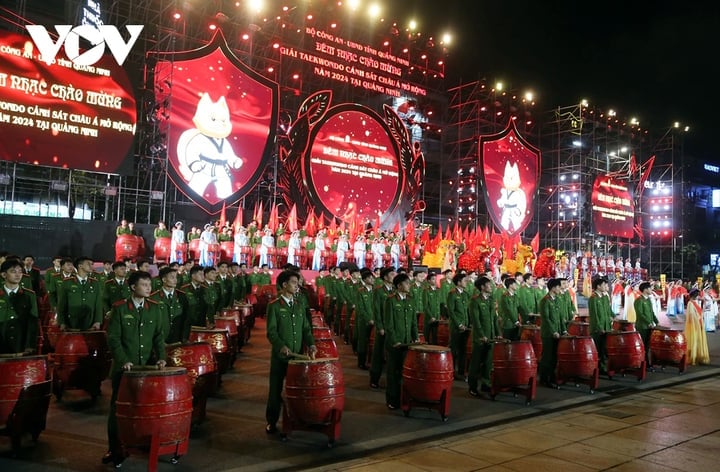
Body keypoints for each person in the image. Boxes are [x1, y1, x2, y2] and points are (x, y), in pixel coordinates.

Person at [103, 270, 166, 468]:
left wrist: (162, 358)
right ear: (133, 287)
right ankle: (115, 449)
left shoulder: (154, 308)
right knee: (118, 410)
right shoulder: (120, 308)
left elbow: (158, 336)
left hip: (147, 369)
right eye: (144, 285)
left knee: (146, 408)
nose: (149, 288)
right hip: (125, 369)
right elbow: (113, 338)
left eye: (150, 285)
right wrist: (123, 360)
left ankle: (141, 443)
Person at [265, 270, 316, 434]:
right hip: (280, 357)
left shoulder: (300, 305)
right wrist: (281, 346)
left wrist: (312, 344)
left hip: (297, 357)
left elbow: (306, 329)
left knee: (297, 389)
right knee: (275, 391)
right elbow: (271, 332)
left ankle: (296, 419)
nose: (297, 285)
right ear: (284, 285)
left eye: (297, 282)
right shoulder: (274, 306)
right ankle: (271, 421)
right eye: (294, 282)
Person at [383, 272, 418, 409]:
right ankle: (392, 400)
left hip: (407, 343)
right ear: (399, 285)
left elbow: (413, 321)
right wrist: (395, 340)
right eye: (406, 283)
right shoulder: (391, 300)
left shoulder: (410, 299)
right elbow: (389, 324)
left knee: (405, 373)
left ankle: (404, 398)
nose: (409, 285)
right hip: (395, 344)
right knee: (393, 373)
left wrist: (415, 337)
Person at [468, 276, 500, 396]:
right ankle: (473, 386)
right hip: (480, 338)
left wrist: (498, 333)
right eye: (488, 285)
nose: (491, 287)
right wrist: (482, 335)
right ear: (482, 287)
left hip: (491, 336)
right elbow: (476, 321)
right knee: (476, 363)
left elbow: (494, 318)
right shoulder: (475, 301)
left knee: (488, 362)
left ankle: (486, 384)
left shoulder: (491, 300)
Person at [0, 258, 39, 354]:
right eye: (13, 272)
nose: (18, 275)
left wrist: (30, 345)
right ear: (4, 274)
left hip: (20, 342)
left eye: (20, 272)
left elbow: (33, 321)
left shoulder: (29, 295)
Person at [56, 256, 103, 331]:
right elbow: (61, 304)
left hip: (90, 324)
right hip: (71, 323)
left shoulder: (95, 283)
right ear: (80, 266)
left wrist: (98, 321)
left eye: (92, 264)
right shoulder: (67, 282)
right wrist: (62, 322)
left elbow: (98, 304)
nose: (91, 266)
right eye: (88, 264)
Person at [149, 267, 191, 344]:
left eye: (176, 277)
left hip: (178, 339)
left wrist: (184, 338)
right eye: (172, 277)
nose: (175, 280)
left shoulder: (182, 296)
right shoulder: (153, 297)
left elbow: (187, 318)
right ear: (164, 280)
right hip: (160, 340)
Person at [539, 278, 565, 387]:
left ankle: (552, 376)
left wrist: (563, 330)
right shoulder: (545, 300)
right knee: (547, 356)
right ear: (553, 288)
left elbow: (560, 317)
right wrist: (553, 331)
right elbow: (546, 318)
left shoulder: (557, 299)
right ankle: (544, 378)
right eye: (559, 286)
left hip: (558, 333)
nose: (560, 288)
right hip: (548, 334)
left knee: (554, 356)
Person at [447, 272, 470, 379]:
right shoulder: (452, 294)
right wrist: (459, 324)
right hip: (456, 327)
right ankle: (451, 370)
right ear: (459, 282)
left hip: (465, 326)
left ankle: (461, 372)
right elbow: (451, 311)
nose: (467, 282)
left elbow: (467, 310)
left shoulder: (465, 294)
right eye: (465, 281)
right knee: (454, 349)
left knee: (463, 350)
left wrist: (468, 323)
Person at [588, 277, 614, 373]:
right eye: (604, 285)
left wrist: (612, 316)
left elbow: (608, 310)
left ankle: (603, 367)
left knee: (604, 349)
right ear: (598, 286)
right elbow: (594, 315)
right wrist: (599, 327)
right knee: (597, 349)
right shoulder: (593, 298)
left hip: (606, 327)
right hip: (597, 329)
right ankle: (596, 369)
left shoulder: (604, 297)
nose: (606, 287)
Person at [354, 268, 376, 369]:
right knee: (363, 341)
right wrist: (368, 319)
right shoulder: (360, 292)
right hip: (364, 321)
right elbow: (360, 308)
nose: (372, 280)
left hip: (374, 320)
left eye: (373, 278)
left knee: (372, 341)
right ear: (365, 279)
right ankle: (361, 362)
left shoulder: (375, 291)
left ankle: (370, 360)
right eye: (370, 278)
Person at [634, 281, 659, 367]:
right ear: (645, 290)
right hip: (642, 326)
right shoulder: (639, 300)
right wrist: (648, 323)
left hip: (649, 326)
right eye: (650, 288)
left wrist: (656, 321)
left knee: (647, 346)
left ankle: (646, 363)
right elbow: (640, 314)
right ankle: (642, 363)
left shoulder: (648, 300)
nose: (652, 289)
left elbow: (651, 312)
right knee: (643, 345)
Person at [684, 288, 710, 365]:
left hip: (699, 324)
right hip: (694, 326)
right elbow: (691, 316)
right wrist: (697, 322)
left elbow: (699, 313)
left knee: (699, 340)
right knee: (694, 341)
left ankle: (699, 356)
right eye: (697, 295)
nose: (698, 296)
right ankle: (693, 357)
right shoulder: (690, 303)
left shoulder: (695, 303)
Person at [423, 272, 442, 344]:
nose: (435, 280)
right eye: (433, 279)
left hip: (436, 317)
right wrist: (431, 316)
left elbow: (438, 304)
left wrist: (439, 315)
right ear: (429, 281)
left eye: (435, 279)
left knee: (435, 337)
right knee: (426, 337)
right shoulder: (426, 291)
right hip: (429, 318)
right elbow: (425, 306)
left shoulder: (438, 290)